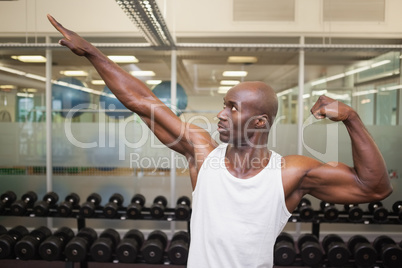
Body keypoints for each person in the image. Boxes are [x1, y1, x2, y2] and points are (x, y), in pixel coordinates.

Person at [47, 14, 392, 268]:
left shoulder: (290, 173)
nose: (220, 115)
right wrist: (93, 53)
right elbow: (142, 101)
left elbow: (373, 188)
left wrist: (352, 118)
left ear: (259, 122)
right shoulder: (202, 152)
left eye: (232, 108)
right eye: (223, 105)